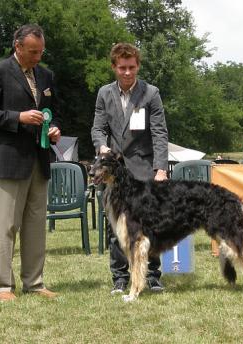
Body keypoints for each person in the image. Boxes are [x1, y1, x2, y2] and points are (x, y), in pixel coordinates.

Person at [0, 24, 62, 301]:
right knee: (7, 225)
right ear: (18, 46)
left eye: (41, 51)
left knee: (36, 225)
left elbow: (54, 112)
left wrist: (54, 128)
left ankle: (34, 283)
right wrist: (17, 118)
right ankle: (3, 286)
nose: (38, 56)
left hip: (39, 159)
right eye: (33, 51)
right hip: (8, 160)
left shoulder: (46, 75)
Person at [91, 43, 169, 294]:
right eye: (122, 68)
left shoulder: (151, 93)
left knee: (150, 224)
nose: (127, 72)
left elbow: (159, 132)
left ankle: (153, 276)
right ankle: (120, 278)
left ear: (138, 66)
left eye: (132, 67)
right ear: (114, 67)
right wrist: (101, 146)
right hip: (114, 170)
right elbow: (98, 128)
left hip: (143, 168)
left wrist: (160, 169)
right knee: (117, 228)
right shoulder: (104, 93)